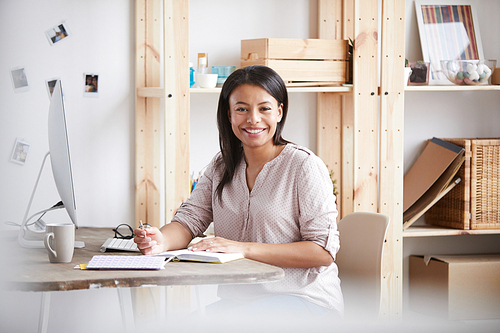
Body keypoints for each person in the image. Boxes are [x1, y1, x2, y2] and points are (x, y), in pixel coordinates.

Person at [134, 65, 343, 321]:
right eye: (242, 109)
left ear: (279, 112)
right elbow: (190, 221)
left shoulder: (303, 166)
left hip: (306, 301)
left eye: (264, 108)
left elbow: (322, 252)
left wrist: (242, 249)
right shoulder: (221, 165)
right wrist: (159, 241)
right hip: (240, 303)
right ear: (229, 115)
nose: (253, 119)